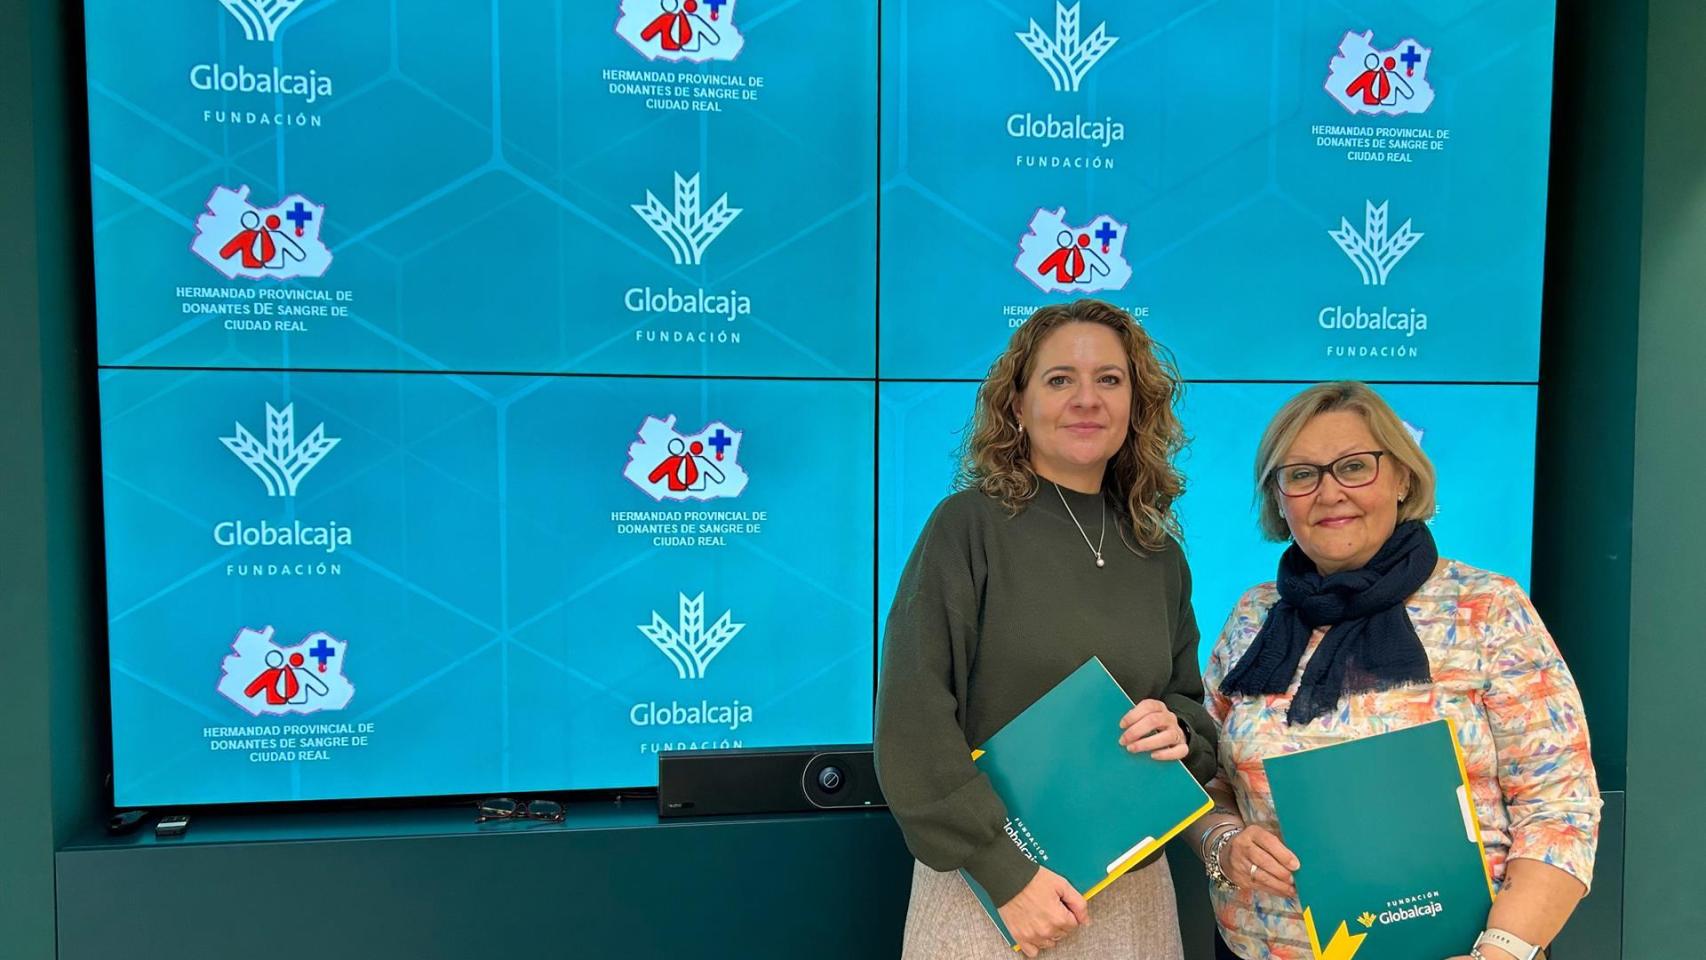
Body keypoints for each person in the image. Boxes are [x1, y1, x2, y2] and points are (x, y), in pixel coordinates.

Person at [1184, 381, 1601, 960]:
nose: (1329, 493)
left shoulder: (1486, 608)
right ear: (1279, 499)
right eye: (1301, 475)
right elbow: (1207, 780)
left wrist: (1503, 951)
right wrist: (1225, 842)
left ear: (1403, 477)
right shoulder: (1253, 619)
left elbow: (1560, 805)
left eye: (1354, 466)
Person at [875, 299, 1218, 959]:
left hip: (1133, 900)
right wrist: (1008, 877)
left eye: (1109, 380)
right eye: (1060, 379)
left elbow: (1188, 706)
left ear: (1137, 405)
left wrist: (1178, 728)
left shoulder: (1158, 552)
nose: (1086, 399)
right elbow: (913, 723)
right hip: (991, 898)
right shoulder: (966, 527)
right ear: (1018, 405)